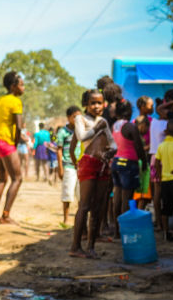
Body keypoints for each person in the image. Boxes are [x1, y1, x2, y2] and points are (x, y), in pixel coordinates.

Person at [69, 89, 116, 259]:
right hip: (88, 163)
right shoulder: (80, 119)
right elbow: (81, 137)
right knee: (85, 205)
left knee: (98, 207)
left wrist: (110, 153)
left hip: (103, 164)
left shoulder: (103, 121)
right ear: (86, 105)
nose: (97, 106)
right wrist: (97, 128)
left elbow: (113, 144)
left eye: (100, 103)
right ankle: (75, 246)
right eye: (93, 103)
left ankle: (91, 247)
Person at [0, 71, 25, 225]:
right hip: (5, 141)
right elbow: (18, 126)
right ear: (13, 86)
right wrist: (15, 144)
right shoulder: (15, 101)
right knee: (17, 178)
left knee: (3, 179)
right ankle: (5, 216)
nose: (23, 88)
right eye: (21, 85)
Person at [110, 99, 147, 238]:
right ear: (128, 112)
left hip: (116, 162)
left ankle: (116, 231)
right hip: (128, 164)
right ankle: (124, 230)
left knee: (117, 197)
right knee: (127, 198)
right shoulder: (130, 127)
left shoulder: (115, 126)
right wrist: (143, 162)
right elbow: (139, 147)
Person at [57, 106, 81, 226]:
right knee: (67, 193)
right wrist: (60, 168)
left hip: (81, 166)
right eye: (74, 117)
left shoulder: (81, 131)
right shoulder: (63, 132)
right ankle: (66, 218)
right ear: (68, 117)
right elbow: (59, 150)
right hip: (68, 166)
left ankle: (79, 219)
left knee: (80, 194)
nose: (77, 119)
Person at [155, 119, 173, 242]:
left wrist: (159, 175)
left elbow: (157, 162)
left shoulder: (162, 145)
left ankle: (166, 232)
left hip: (165, 181)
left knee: (166, 208)